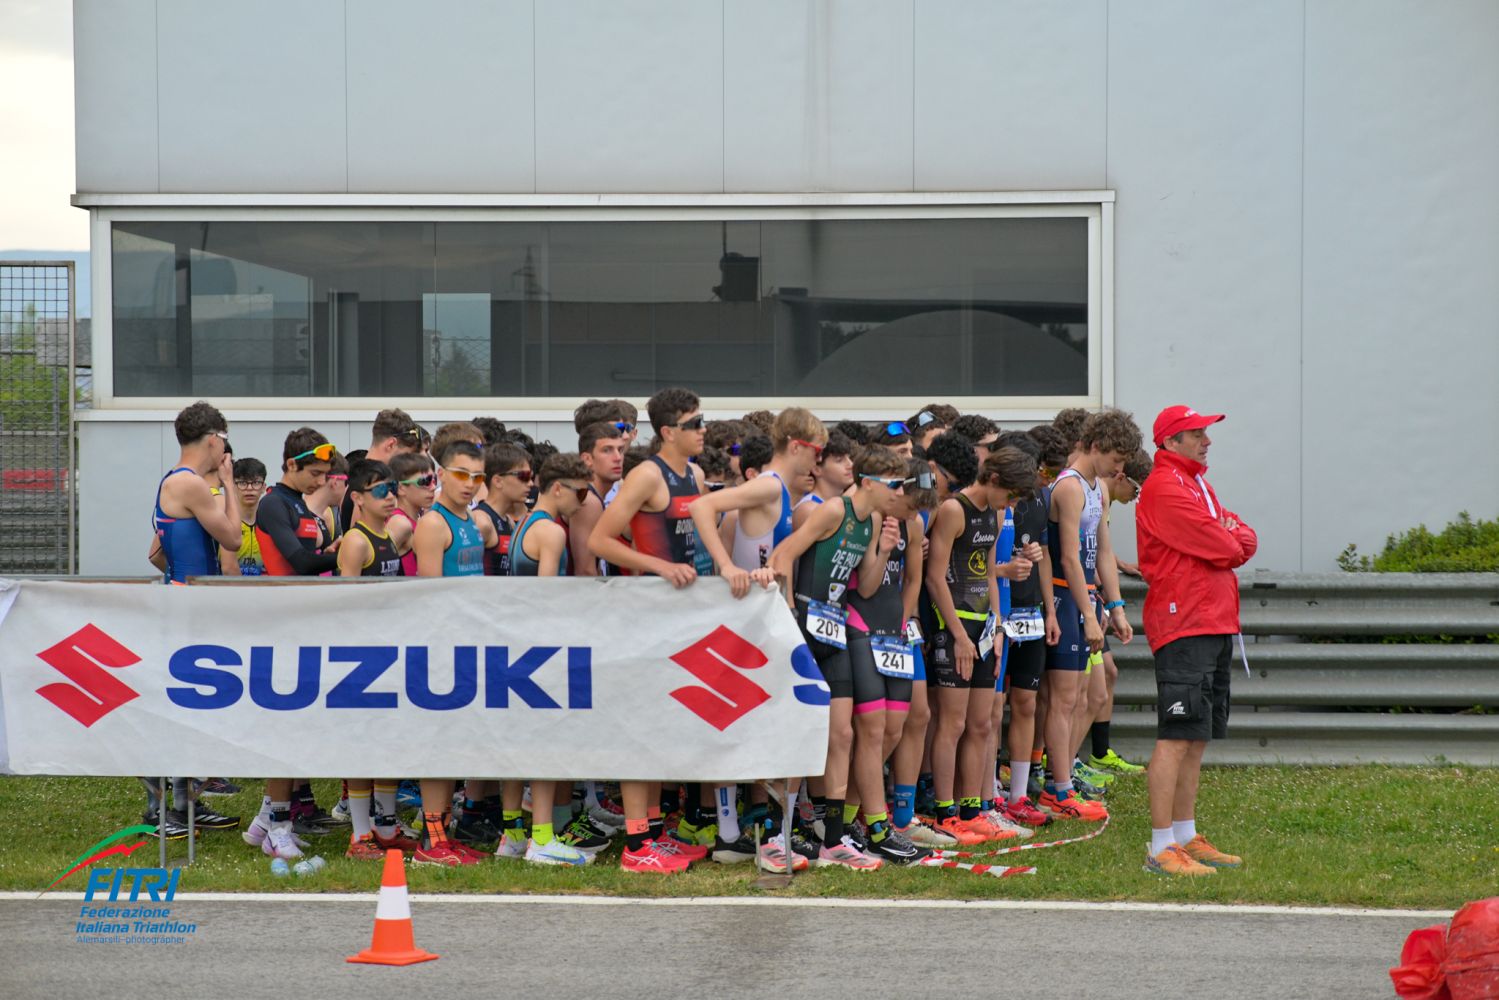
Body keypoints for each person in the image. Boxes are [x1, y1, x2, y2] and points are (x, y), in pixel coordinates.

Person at [590, 387, 723, 874]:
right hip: (649, 615)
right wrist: (660, 567)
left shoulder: (696, 475)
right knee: (641, 729)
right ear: (668, 432)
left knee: (664, 729)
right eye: (694, 423)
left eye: (703, 420)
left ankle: (652, 833)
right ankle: (635, 845)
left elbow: (702, 541)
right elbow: (600, 539)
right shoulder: (647, 475)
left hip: (686, 616)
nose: (703, 430)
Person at [687, 407, 826, 871]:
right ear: (797, 445)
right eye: (817, 451)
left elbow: (739, 533)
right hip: (748, 626)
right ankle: (741, 834)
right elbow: (702, 507)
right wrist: (728, 568)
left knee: (760, 725)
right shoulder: (769, 485)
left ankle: (747, 832)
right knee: (745, 724)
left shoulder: (778, 490)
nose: (819, 461)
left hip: (763, 622)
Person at [768, 447, 907, 870]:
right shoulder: (833, 510)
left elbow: (866, 587)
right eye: (894, 484)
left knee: (842, 735)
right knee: (801, 729)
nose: (899, 493)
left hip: (835, 627)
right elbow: (783, 555)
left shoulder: (873, 522)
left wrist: (885, 551)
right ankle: (777, 834)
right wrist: (789, 614)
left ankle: (832, 838)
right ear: (868, 482)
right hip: (806, 625)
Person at [1137, 405, 1257, 876]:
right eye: (1196, 433)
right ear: (1171, 442)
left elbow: (1244, 538)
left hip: (1212, 620)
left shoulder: (1196, 484)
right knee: (1176, 735)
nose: (1207, 440)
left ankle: (1185, 836)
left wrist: (1230, 535)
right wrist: (1227, 536)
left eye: (1206, 432)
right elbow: (1225, 545)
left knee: (1196, 737)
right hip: (1184, 621)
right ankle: (1160, 846)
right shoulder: (1166, 486)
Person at [924, 447, 1035, 845]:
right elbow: (935, 577)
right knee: (952, 723)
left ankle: (974, 810)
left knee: (982, 723)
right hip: (953, 626)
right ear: (993, 479)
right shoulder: (955, 510)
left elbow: (989, 574)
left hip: (984, 627)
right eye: (1012, 494)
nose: (1013, 503)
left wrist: (999, 627)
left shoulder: (996, 512)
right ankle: (945, 812)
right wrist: (957, 635)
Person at [241, 428, 340, 861]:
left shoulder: (300, 502)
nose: (321, 481)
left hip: (303, 619)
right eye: (314, 473)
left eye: (324, 474)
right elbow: (299, 561)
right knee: (284, 728)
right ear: (290, 465)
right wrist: (345, 553)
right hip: (281, 622)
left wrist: (334, 549)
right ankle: (277, 825)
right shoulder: (273, 503)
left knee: (298, 727)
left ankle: (267, 820)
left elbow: (310, 558)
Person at [502, 452, 602, 867]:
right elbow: (547, 601)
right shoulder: (552, 532)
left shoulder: (524, 522)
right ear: (557, 487)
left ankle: (512, 835)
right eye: (580, 492)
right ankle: (541, 839)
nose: (584, 501)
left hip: (515, 645)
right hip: (540, 651)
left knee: (515, 747)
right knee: (543, 745)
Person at [1040, 409, 1140, 822]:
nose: (1119, 469)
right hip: (1063, 597)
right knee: (1063, 698)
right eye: (1116, 459)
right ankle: (1057, 787)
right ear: (1096, 446)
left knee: (1080, 696)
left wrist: (1114, 607)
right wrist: (1086, 612)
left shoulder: (1097, 487)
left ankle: (1060, 781)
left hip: (1084, 597)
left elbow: (1102, 551)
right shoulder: (1068, 486)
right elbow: (1068, 557)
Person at [409, 438, 500, 867]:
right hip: (441, 647)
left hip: (469, 644)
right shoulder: (433, 524)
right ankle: (431, 842)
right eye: (461, 474)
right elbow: (429, 596)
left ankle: (442, 834)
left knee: (456, 745)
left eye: (477, 477)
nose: (469, 483)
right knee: (438, 744)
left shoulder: (472, 520)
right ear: (441, 473)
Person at [336, 460, 407, 861]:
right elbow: (346, 604)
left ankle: (386, 826)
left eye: (392, 488)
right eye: (380, 490)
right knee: (362, 745)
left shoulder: (389, 535)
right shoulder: (356, 541)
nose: (390, 496)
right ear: (358, 498)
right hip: (362, 656)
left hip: (388, 650)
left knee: (389, 741)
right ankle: (359, 835)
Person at [990, 432, 1057, 831]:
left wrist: (1050, 611)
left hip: (1030, 610)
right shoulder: (991, 502)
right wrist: (1005, 567)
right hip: (996, 611)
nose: (1035, 477)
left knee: (1026, 702)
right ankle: (988, 793)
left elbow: (1043, 555)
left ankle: (1018, 794)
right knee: (991, 706)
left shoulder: (1037, 499)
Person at [1085, 447, 1156, 776]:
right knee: (1084, 686)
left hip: (1094, 597)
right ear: (1121, 476)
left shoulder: (1105, 498)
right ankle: (1056, 764)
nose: (1136, 497)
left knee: (1106, 676)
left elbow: (1098, 545)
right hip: (1082, 599)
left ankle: (1099, 753)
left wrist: (1119, 564)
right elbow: (1079, 547)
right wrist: (1104, 596)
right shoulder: (1094, 492)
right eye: (1136, 489)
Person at [151, 401, 241, 584]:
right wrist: (228, 483)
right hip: (192, 594)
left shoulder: (174, 478)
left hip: (186, 589)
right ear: (213, 439)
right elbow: (233, 540)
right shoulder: (191, 484)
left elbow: (155, 554)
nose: (225, 448)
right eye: (224, 439)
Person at [338, 407, 421, 529]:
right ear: (391, 445)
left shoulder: (357, 478)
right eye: (405, 455)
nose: (406, 463)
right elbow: (364, 536)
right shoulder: (368, 483)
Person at [568, 421, 628, 576]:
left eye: (620, 450)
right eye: (607, 450)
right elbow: (585, 571)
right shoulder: (589, 501)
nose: (617, 458)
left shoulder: (592, 496)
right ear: (587, 459)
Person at [476, 442, 531, 577]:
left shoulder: (509, 521)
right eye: (523, 476)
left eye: (531, 477)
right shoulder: (482, 521)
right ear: (498, 481)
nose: (530, 483)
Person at [387, 451, 436, 578]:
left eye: (434, 480)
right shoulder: (399, 523)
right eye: (425, 481)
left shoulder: (416, 520)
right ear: (401, 488)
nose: (433, 487)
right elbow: (374, 563)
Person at [219, 457, 267, 576]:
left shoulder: (269, 526)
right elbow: (228, 569)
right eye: (242, 483)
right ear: (233, 486)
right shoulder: (223, 522)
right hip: (227, 586)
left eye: (256, 483)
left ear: (264, 487)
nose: (249, 488)